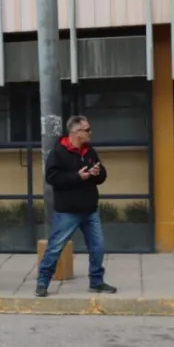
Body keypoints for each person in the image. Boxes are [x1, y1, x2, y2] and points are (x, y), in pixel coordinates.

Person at [36, 115, 117, 297]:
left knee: (98, 247)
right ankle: (42, 283)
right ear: (76, 132)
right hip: (68, 211)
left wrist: (96, 172)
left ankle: (96, 281)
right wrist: (77, 176)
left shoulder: (89, 151)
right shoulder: (58, 152)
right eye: (87, 130)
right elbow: (52, 177)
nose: (90, 133)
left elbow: (102, 176)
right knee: (55, 247)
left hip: (90, 209)